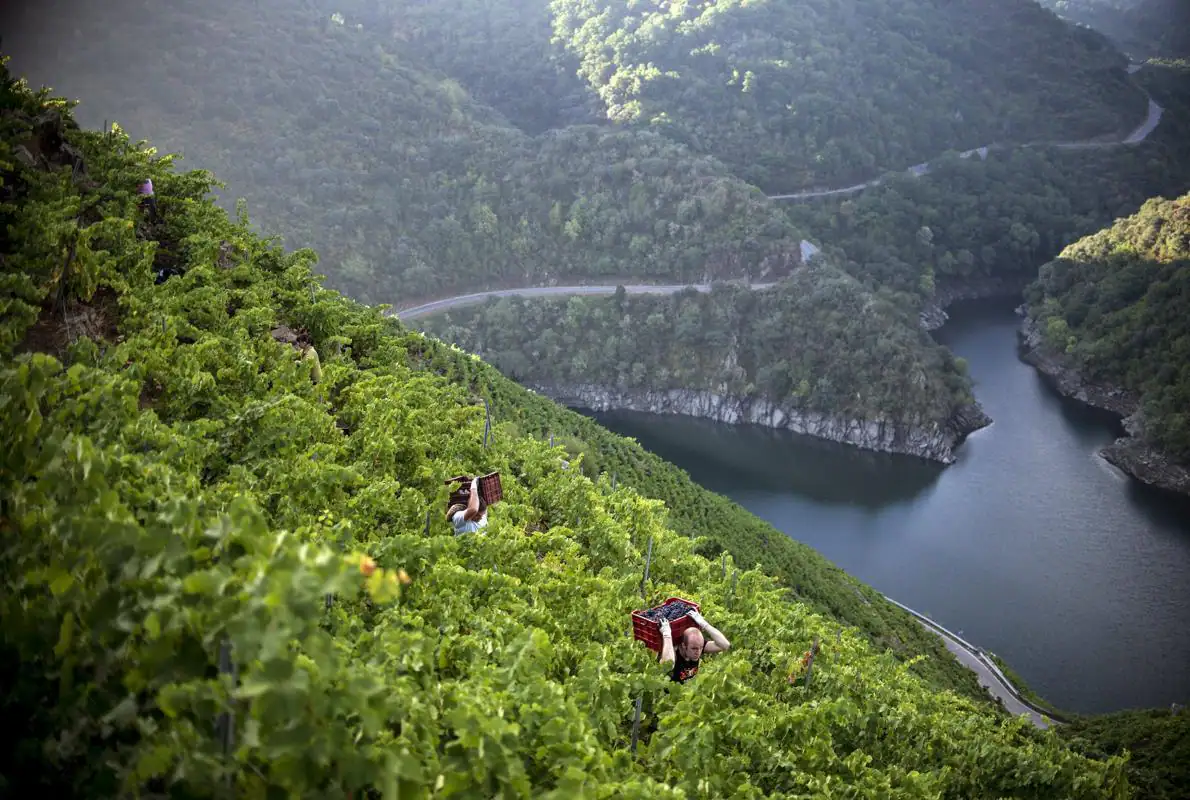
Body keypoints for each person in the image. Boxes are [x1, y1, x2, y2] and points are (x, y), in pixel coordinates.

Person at [659, 609, 731, 683]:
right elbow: (668, 665)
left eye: (701, 648)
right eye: (694, 649)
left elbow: (725, 645)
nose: (698, 652)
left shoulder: (697, 646)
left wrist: (704, 624)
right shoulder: (674, 652)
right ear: (684, 645)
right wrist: (667, 635)